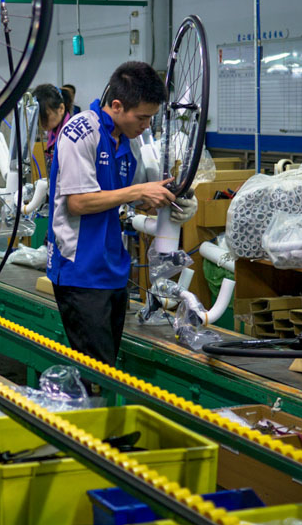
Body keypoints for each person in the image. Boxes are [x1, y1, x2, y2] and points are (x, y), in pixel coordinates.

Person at [45, 61, 194, 366]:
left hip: (112, 269)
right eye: (142, 117)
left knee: (107, 365)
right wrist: (140, 192)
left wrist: (169, 201)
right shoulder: (81, 131)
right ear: (116, 105)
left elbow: (130, 196)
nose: (146, 126)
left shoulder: (127, 141)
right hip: (80, 271)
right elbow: (78, 202)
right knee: (95, 373)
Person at [32, 83, 74, 167]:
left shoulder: (71, 135)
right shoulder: (53, 130)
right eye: (38, 118)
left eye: (45, 116)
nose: (41, 122)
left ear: (61, 109)